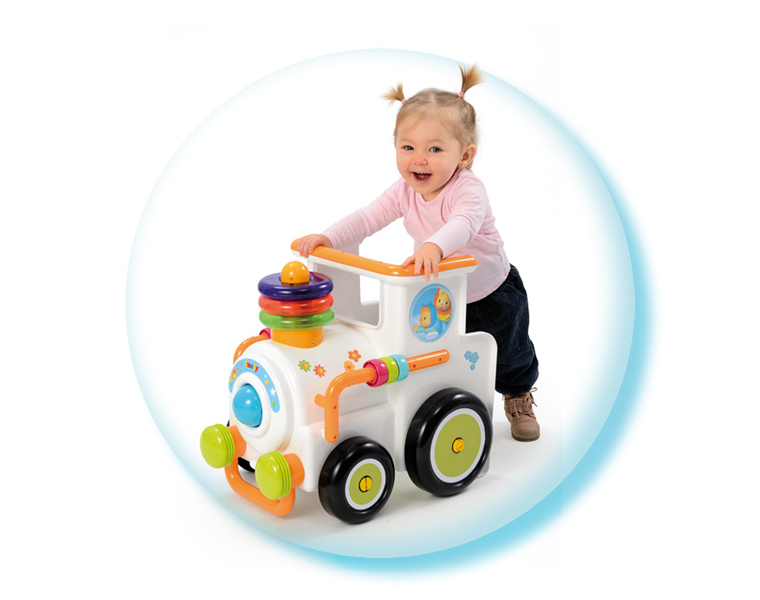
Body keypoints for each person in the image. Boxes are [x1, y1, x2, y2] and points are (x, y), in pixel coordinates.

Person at [296, 64, 540, 441]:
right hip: (437, 292)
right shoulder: (403, 191)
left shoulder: (468, 189)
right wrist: (328, 237)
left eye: (435, 149)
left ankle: (518, 395)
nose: (418, 159)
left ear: (465, 156)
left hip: (489, 293)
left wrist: (434, 246)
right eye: (407, 147)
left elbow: (463, 223)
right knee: (435, 353)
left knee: (510, 353)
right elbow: (369, 216)